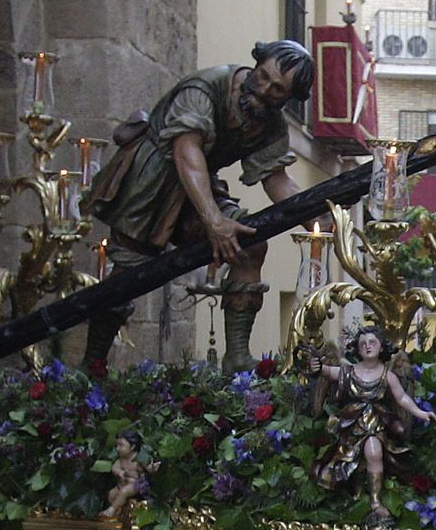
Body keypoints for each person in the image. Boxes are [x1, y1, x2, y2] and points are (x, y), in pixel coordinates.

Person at [84, 40, 315, 372]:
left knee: (249, 247)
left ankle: (237, 359)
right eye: (263, 75)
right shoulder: (206, 87)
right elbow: (186, 151)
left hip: (200, 184)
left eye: (277, 89)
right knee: (126, 272)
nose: (264, 89)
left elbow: (276, 178)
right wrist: (214, 221)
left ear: (290, 97)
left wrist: (319, 218)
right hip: (153, 179)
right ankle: (92, 363)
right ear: (257, 61)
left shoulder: (270, 122)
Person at [307, 327, 436, 524]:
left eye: (372, 342)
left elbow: (401, 397)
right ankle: (352, 496)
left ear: (381, 346)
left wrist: (421, 413)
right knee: (347, 461)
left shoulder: (387, 375)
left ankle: (376, 501)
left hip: (376, 424)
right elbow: (326, 371)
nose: (368, 346)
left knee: (374, 453)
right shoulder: (348, 371)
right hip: (350, 424)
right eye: (363, 344)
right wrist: (316, 366)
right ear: (357, 350)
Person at [101, 428, 159, 518]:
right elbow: (114, 468)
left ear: (132, 446)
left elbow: (148, 469)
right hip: (122, 484)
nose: (117, 448)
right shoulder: (121, 460)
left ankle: (112, 509)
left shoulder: (140, 458)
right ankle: (117, 511)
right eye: (117, 445)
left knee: (125, 491)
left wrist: (153, 468)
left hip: (136, 485)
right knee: (112, 493)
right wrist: (120, 472)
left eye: (121, 445)